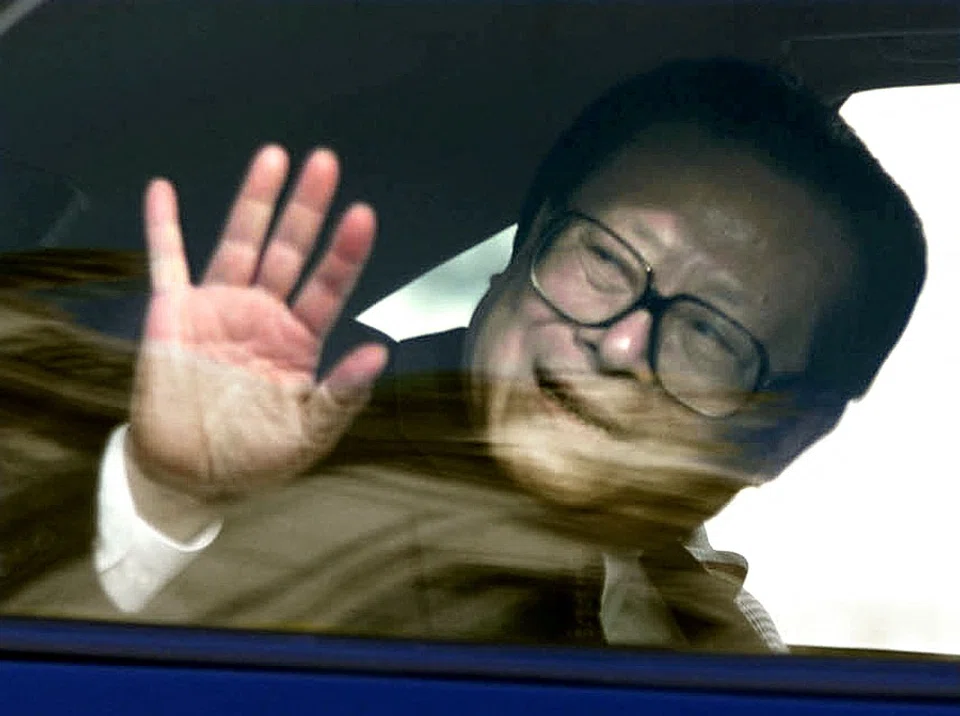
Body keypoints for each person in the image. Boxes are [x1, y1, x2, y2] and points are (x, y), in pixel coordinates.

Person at [2, 59, 925, 651]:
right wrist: (166, 498)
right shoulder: (282, 473)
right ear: (522, 251)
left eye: (711, 333)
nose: (621, 341)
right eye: (606, 260)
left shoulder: (705, 623)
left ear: (783, 438)